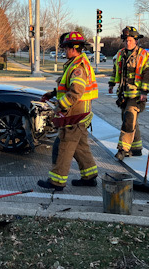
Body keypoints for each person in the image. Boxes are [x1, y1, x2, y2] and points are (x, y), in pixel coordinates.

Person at [38, 31, 99, 191]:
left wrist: (60, 107)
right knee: (81, 147)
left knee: (65, 147)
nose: (64, 51)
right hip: (80, 116)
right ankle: (90, 176)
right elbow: (67, 87)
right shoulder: (77, 63)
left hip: (74, 116)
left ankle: (57, 182)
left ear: (74, 48)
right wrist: (52, 93)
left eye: (65, 48)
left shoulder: (78, 67)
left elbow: (76, 92)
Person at [108, 26, 149, 161]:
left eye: (130, 40)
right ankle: (137, 148)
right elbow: (115, 71)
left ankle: (123, 149)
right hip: (123, 94)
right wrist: (111, 84)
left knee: (128, 119)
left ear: (136, 40)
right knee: (130, 120)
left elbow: (148, 75)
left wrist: (144, 92)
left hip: (137, 95)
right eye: (126, 40)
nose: (128, 43)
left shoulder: (144, 55)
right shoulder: (120, 54)